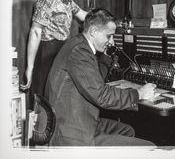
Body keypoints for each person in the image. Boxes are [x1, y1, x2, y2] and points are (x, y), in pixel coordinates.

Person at [44, 8, 156, 146]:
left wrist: (106, 57)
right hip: (73, 133)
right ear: (93, 31)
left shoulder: (79, 44)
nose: (111, 41)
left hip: (78, 118)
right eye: (108, 36)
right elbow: (102, 95)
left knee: (127, 130)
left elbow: (94, 81)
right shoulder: (79, 52)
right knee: (150, 147)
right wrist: (138, 94)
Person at [20, 0, 93, 108]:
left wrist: (104, 18)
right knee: (42, 100)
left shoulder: (67, 0)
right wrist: (30, 67)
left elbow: (84, 15)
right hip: (47, 52)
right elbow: (35, 31)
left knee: (55, 100)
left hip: (60, 53)